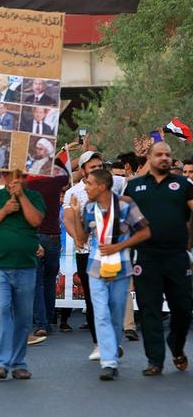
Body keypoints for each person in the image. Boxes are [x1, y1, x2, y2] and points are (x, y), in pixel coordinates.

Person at [69, 168, 150, 380]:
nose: (85, 187)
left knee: (115, 314)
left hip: (121, 267)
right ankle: (108, 362)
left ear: (102, 186)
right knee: (101, 313)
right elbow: (80, 240)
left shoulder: (125, 204)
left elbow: (145, 232)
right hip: (96, 268)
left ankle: (111, 352)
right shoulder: (88, 207)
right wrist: (76, 214)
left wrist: (119, 247)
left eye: (88, 183)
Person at [125, 141, 193, 376]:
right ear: (150, 158)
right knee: (149, 310)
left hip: (176, 256)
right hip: (146, 257)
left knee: (183, 308)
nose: (165, 158)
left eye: (168, 154)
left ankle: (176, 344)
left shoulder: (184, 185)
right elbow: (122, 220)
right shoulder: (133, 187)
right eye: (160, 154)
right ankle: (155, 360)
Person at [0, 172, 45, 379]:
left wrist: (22, 197)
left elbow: (35, 221)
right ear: (5, 176)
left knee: (23, 316)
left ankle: (18, 363)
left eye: (22, 176)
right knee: (0, 310)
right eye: (13, 175)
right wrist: (4, 211)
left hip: (26, 266)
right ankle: (2, 362)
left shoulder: (34, 197)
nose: (17, 179)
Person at [63, 151, 127, 360]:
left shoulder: (114, 184)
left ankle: (113, 340)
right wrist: (78, 238)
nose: (97, 170)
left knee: (113, 300)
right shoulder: (73, 192)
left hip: (113, 253)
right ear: (83, 171)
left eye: (100, 166)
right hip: (87, 253)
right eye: (92, 168)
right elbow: (68, 220)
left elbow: (136, 180)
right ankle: (99, 343)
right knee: (93, 301)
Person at [27, 164, 70, 340]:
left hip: (35, 235)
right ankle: (49, 319)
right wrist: (58, 157)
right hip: (53, 236)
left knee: (37, 281)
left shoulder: (28, 183)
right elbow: (66, 176)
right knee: (50, 280)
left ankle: (41, 323)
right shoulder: (56, 181)